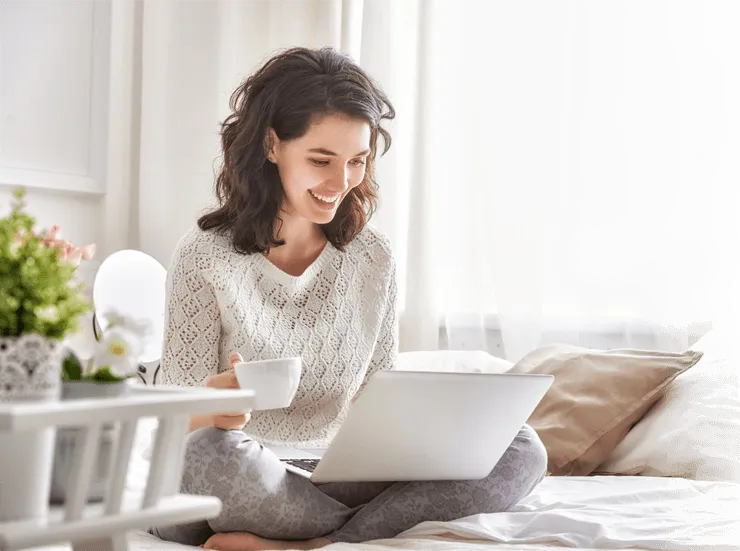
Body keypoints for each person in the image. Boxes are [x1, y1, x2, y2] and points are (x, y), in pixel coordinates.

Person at [151, 47, 547, 551]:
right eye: (322, 160)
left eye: (357, 162)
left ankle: (310, 545)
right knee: (208, 456)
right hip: (230, 473)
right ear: (272, 145)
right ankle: (359, 530)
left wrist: (427, 431)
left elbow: (374, 401)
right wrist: (218, 407)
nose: (341, 183)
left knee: (521, 446)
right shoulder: (205, 255)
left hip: (330, 474)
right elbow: (175, 422)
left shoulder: (373, 258)